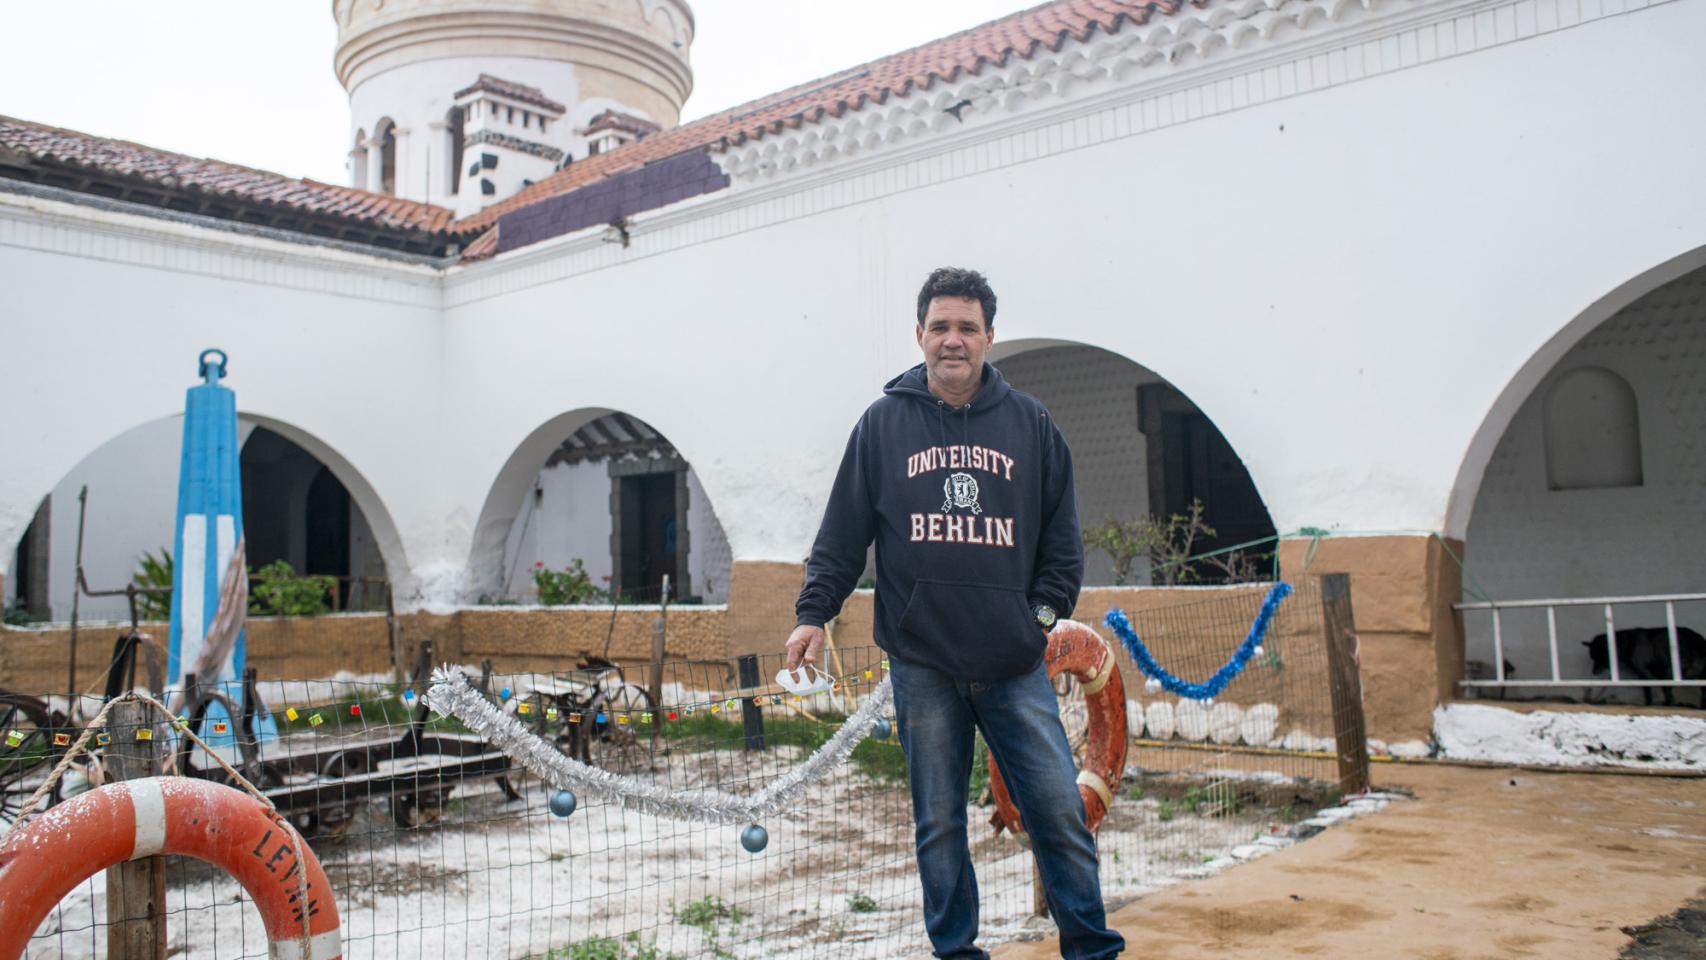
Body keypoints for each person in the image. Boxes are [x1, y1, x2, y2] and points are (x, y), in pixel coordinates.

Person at [783, 267, 1124, 959]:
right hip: (923, 665)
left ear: (989, 337)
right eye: (940, 326)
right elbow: (843, 535)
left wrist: (1039, 620)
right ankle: (957, 952)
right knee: (938, 825)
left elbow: (1062, 543)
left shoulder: (1031, 424)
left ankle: (1091, 949)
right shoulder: (882, 425)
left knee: (1058, 812)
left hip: (1013, 663)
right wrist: (813, 613)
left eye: (967, 327)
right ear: (919, 335)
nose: (953, 340)